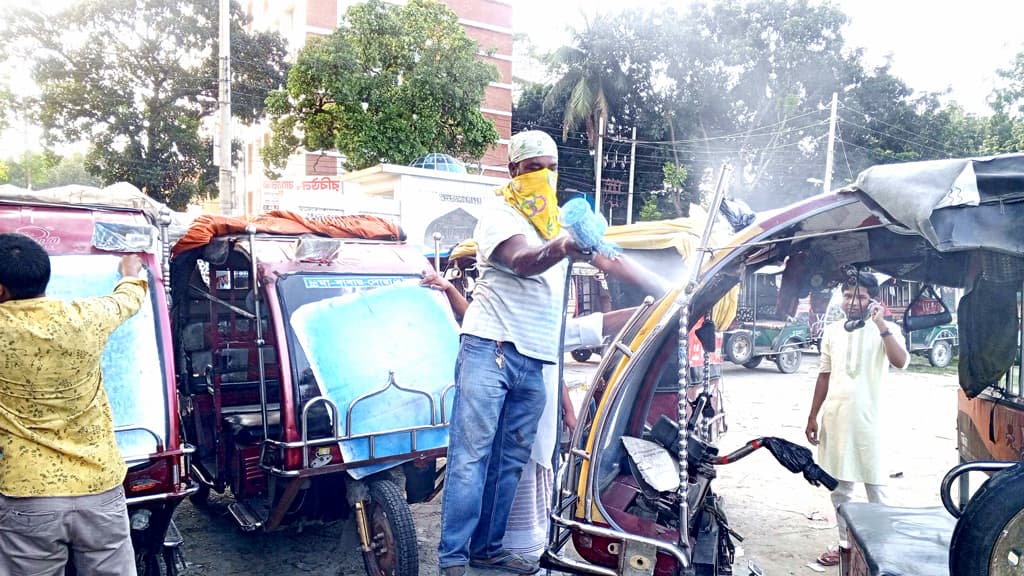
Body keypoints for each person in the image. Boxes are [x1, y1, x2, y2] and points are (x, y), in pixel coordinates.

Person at [436, 130, 664, 576]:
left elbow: (611, 259)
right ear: (513, 171)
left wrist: (674, 290)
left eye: (552, 167)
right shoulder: (500, 214)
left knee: (509, 462)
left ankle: (487, 550)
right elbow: (523, 260)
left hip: (535, 358)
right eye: (534, 167)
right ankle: (453, 562)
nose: (545, 176)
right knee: (470, 459)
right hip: (490, 348)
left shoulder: (563, 221)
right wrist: (563, 246)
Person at [422, 268, 635, 562]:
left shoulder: (543, 328)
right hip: (528, 435)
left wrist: (569, 410)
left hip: (538, 435)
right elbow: (587, 329)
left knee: (515, 477)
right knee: (487, 471)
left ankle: (493, 551)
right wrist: (448, 288)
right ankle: (465, 556)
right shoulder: (503, 323)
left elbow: (560, 359)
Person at [0, 233, 149, 576]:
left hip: (28, 494)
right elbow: (128, 298)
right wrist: (130, 271)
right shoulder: (85, 317)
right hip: (100, 487)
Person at [804, 272, 909, 567]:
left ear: (873, 299)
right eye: (848, 295)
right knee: (840, 489)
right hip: (836, 421)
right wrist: (813, 415)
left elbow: (900, 361)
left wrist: (881, 325)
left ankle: (883, 551)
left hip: (871, 423)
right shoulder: (833, 331)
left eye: (860, 296)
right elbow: (824, 375)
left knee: (877, 488)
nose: (852, 302)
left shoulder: (886, 329)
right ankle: (844, 546)